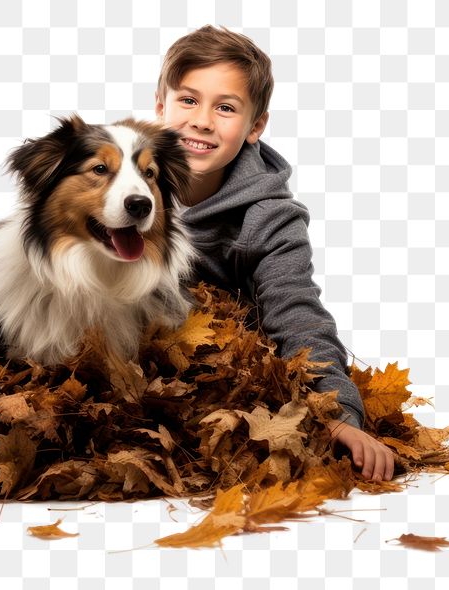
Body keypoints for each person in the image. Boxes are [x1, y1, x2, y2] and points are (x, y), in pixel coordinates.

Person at [154, 25, 395, 482]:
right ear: (160, 104)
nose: (202, 120)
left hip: (211, 381)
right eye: (188, 100)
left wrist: (337, 411)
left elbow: (298, 314)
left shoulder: (268, 220)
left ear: (255, 126)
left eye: (225, 108)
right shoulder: (117, 181)